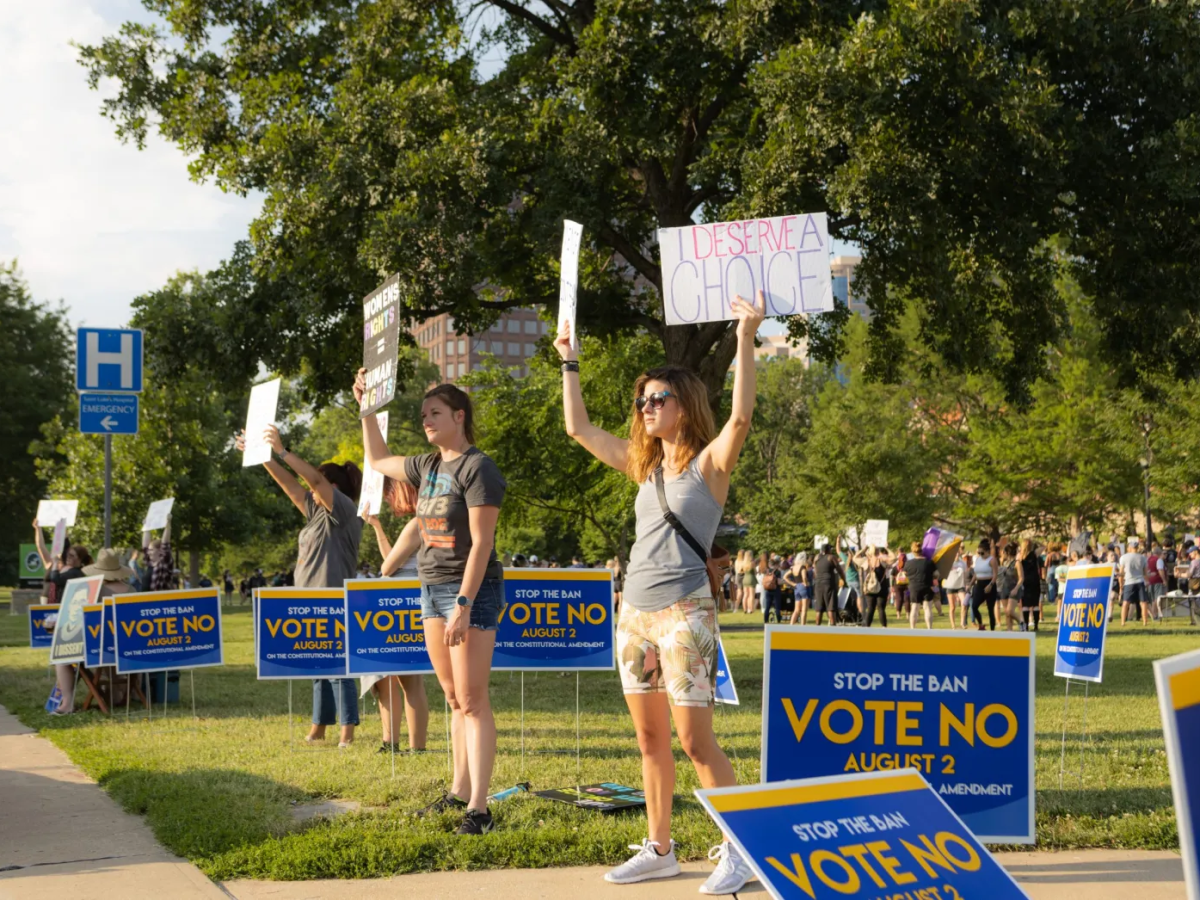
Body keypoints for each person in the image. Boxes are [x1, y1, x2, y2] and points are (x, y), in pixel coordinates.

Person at [555, 292, 763, 893]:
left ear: (684, 405)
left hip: (685, 614)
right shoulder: (642, 468)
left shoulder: (710, 466)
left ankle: (740, 848)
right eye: (642, 399)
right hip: (635, 617)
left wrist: (745, 337)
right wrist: (569, 361)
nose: (646, 407)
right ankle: (661, 847)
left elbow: (742, 417)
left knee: (697, 742)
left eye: (657, 398)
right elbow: (577, 428)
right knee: (649, 740)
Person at [358, 374, 506, 836]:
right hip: (430, 587)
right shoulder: (427, 466)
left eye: (434, 414)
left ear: (459, 417)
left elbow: (481, 544)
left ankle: (480, 810)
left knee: (474, 699)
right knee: (453, 697)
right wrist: (365, 409)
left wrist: (463, 603)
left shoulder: (478, 468)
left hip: (469, 591)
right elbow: (379, 458)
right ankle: (459, 791)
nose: (426, 421)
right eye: (423, 415)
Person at [236, 424, 364, 749]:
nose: (310, 490)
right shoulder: (315, 513)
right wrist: (264, 457)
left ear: (333, 487)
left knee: (339, 668)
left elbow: (313, 481)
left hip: (334, 599)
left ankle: (347, 733)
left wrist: (282, 450)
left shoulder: (343, 510)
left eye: (318, 485)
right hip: (309, 599)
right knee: (319, 666)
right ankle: (319, 727)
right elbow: (290, 486)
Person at [362, 500, 430, 754]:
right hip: (412, 603)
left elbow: (387, 568)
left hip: (399, 605)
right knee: (410, 681)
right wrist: (377, 527)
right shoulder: (434, 523)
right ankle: (416, 747)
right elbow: (393, 560)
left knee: (392, 680)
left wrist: (386, 566)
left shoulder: (417, 524)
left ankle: (393, 744)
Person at [33, 519, 92, 715]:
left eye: (73, 556)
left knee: (61, 655)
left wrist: (64, 534)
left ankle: (64, 696)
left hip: (63, 613)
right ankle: (61, 694)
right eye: (69, 555)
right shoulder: (55, 564)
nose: (68, 557)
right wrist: (39, 529)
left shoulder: (73, 572)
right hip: (49, 610)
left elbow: (57, 579)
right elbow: (41, 548)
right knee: (55, 653)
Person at [904, 542, 937, 630]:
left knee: (914, 607)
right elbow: (936, 574)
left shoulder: (908, 563)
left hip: (914, 587)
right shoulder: (929, 562)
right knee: (928, 608)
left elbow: (904, 575)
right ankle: (929, 628)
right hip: (927, 586)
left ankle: (912, 628)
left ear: (912, 551)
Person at [1118, 537, 1150, 626]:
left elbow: (1121, 573)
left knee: (1126, 602)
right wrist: (1147, 581)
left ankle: (1123, 622)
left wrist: (1121, 585)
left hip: (1129, 581)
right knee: (1143, 602)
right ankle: (1145, 622)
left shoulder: (1123, 557)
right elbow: (1145, 573)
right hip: (1140, 581)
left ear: (1130, 547)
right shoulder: (1143, 558)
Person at [813, 544, 846, 627]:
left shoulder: (816, 558)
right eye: (830, 549)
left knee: (819, 609)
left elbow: (815, 571)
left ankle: (817, 627)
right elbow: (840, 570)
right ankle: (832, 627)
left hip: (818, 584)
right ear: (828, 550)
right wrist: (844, 580)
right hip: (828, 584)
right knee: (831, 607)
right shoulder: (831, 557)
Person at [857, 546, 890, 628]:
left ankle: (867, 627)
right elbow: (894, 558)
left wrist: (863, 549)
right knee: (881, 608)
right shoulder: (882, 561)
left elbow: (854, 558)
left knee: (870, 608)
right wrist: (887, 549)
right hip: (882, 588)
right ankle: (884, 627)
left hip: (869, 589)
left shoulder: (866, 562)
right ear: (878, 551)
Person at [1018, 539, 1042, 632]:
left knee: (1025, 604)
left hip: (1025, 580)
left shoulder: (1020, 556)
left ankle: (1026, 626)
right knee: (1035, 604)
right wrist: (1036, 541)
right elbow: (1044, 546)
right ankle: (1036, 625)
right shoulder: (1034, 553)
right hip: (1035, 580)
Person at [995, 544, 1020, 631]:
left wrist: (1016, 588)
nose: (1002, 554)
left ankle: (1021, 622)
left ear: (1007, 553)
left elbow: (1021, 578)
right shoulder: (1004, 563)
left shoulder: (1017, 563)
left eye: (1003, 552)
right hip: (1004, 588)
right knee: (1006, 612)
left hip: (1013, 588)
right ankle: (1009, 630)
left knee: (1010, 610)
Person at [942, 553, 968, 630]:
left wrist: (966, 584)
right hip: (950, 586)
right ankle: (953, 625)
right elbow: (943, 572)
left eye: (957, 554)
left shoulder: (962, 563)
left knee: (964, 603)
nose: (956, 555)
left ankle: (962, 623)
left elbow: (965, 573)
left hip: (960, 586)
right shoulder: (948, 562)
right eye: (955, 554)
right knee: (952, 607)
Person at [785, 552, 810, 625]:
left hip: (796, 588)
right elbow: (804, 577)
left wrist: (793, 583)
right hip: (803, 587)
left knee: (796, 609)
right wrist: (805, 583)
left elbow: (785, 577)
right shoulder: (802, 567)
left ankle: (791, 625)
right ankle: (802, 626)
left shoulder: (793, 567)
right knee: (804, 609)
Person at [1146, 541, 1166, 621]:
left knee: (1152, 599)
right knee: (1157, 599)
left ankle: (1153, 615)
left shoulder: (1148, 559)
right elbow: (1160, 570)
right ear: (1159, 553)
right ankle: (1155, 615)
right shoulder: (1159, 560)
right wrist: (1164, 580)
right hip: (1157, 580)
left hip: (1150, 580)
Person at [761, 555, 784, 625]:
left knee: (767, 606)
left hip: (767, 590)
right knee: (777, 606)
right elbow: (779, 582)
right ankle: (778, 620)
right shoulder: (777, 571)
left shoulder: (766, 571)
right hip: (776, 590)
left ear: (769, 564)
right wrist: (784, 581)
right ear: (776, 564)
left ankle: (765, 620)